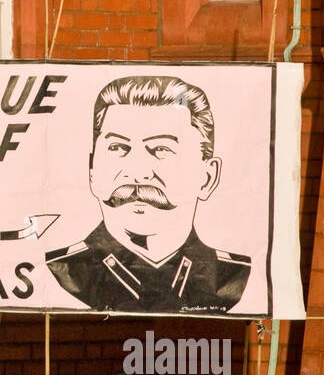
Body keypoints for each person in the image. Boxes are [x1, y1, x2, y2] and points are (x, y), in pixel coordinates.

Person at [46, 75, 251, 314]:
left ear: (206, 177)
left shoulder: (231, 278)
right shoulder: (64, 272)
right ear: (92, 171)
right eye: (118, 148)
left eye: (161, 149)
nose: (137, 172)